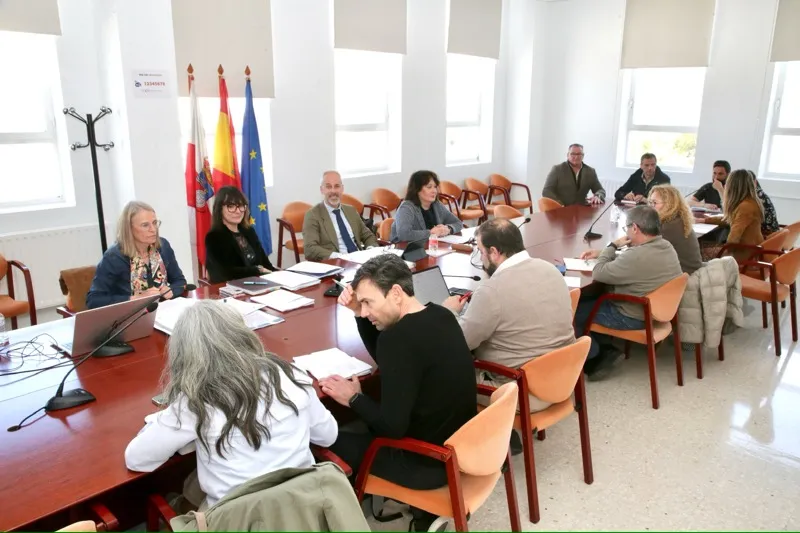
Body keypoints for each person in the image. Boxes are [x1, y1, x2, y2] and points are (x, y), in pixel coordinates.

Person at [125, 300, 338, 508]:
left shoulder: (194, 402)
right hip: (301, 508)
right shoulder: (290, 375)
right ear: (243, 335)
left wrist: (162, 420)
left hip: (237, 520)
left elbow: (137, 460)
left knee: (197, 479)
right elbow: (328, 436)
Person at [318, 254, 476, 531]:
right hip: (462, 447)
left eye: (368, 302)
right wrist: (358, 312)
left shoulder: (397, 341)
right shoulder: (440, 314)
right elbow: (390, 355)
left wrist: (353, 398)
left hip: (426, 463)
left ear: (395, 293)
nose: (365, 311)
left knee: (325, 439)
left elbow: (391, 429)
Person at [574, 206, 682, 380]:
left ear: (635, 228)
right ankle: (607, 347)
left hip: (632, 316)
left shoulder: (636, 256)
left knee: (573, 312)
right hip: (658, 312)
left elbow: (599, 272)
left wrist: (612, 245)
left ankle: (596, 358)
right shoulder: (666, 246)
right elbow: (634, 262)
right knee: (593, 299)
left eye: (627, 228)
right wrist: (603, 253)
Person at [87, 201, 186, 309]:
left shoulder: (163, 247)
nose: (153, 229)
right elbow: (94, 300)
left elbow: (180, 281)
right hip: (130, 317)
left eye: (154, 223)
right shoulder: (114, 257)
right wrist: (133, 299)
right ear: (129, 229)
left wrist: (171, 290)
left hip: (163, 312)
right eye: (145, 225)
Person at [204, 186, 275, 284]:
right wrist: (257, 270)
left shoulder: (249, 231)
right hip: (233, 289)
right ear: (220, 209)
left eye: (241, 206)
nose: (238, 211)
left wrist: (280, 275)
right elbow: (223, 273)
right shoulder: (214, 237)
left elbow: (266, 264)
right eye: (231, 206)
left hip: (259, 283)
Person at [302, 171, 378, 260]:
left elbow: (368, 235)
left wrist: (370, 251)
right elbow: (310, 248)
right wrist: (339, 257)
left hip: (359, 260)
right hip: (336, 263)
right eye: (328, 187)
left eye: (337, 186)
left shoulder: (351, 210)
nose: (333, 191)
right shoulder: (313, 215)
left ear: (342, 189)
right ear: (322, 190)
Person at [701, 169, 764, 261]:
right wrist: (704, 220)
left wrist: (724, 256)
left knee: (697, 250)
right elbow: (731, 219)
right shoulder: (750, 201)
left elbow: (733, 238)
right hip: (751, 250)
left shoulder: (745, 207)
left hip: (743, 255)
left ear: (733, 186)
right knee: (702, 244)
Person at [391, 170, 463, 243]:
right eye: (429, 187)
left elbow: (458, 223)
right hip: (407, 250)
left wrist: (448, 229)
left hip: (431, 247)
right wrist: (431, 233)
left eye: (435, 187)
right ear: (417, 189)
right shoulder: (406, 207)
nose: (434, 191)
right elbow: (404, 235)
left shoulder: (437, 204)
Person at [648, 185, 703, 274]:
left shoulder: (669, 226)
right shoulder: (678, 220)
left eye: (654, 203)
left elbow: (648, 252)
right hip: (691, 271)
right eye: (650, 202)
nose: (650, 207)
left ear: (669, 204)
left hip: (684, 277)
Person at [751, 171, 780, 236]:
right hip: (773, 234)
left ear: (754, 182)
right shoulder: (760, 193)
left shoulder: (755, 197)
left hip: (765, 235)